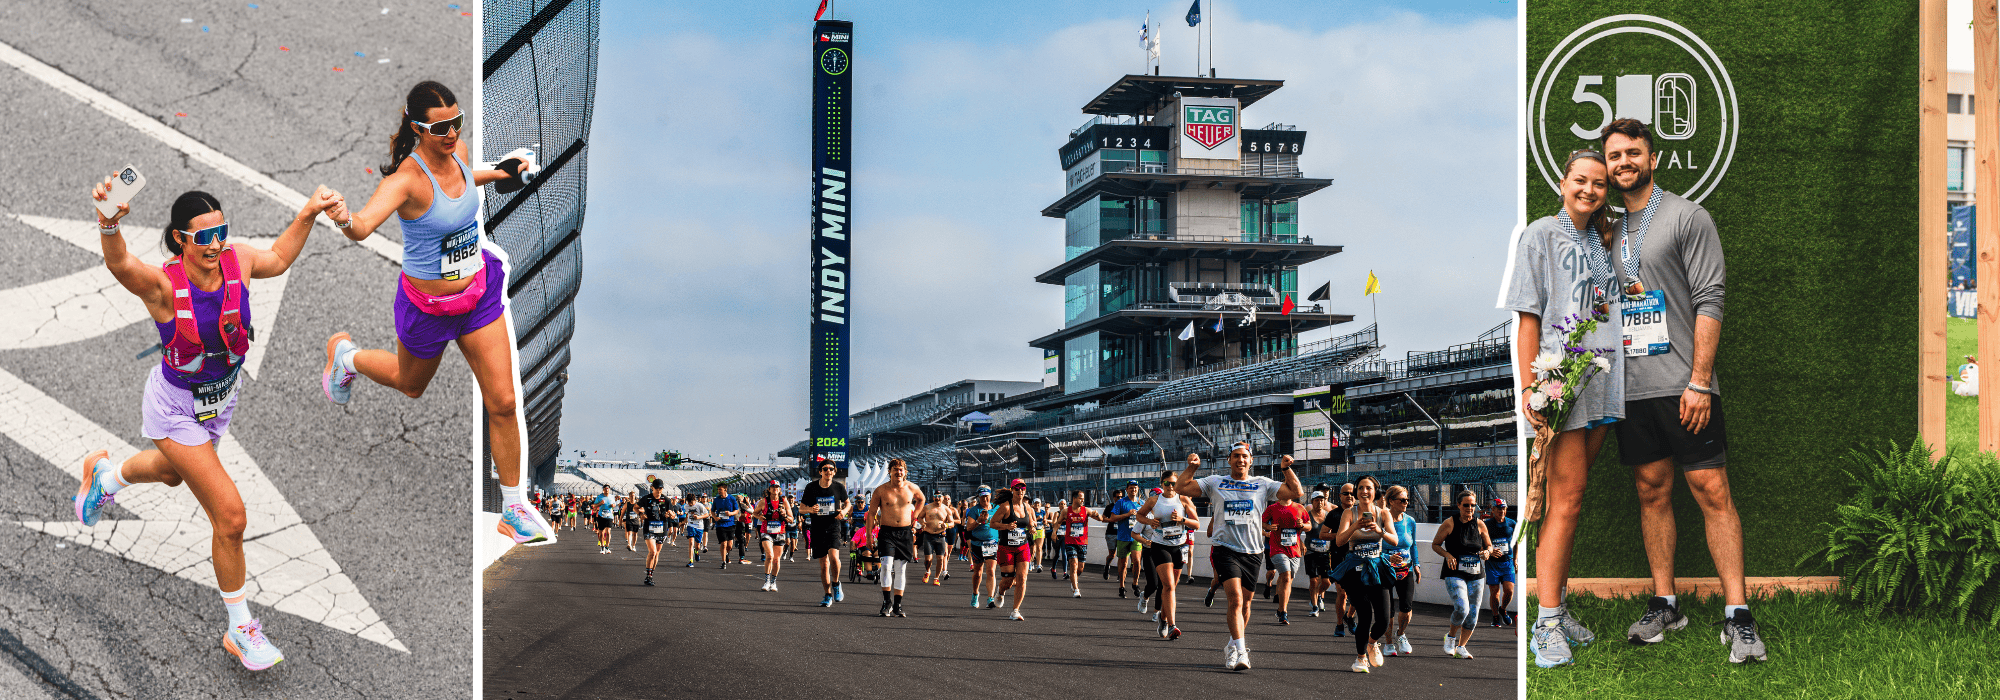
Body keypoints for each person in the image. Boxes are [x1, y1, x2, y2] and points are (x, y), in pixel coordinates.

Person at [75, 180, 341, 671]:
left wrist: (307, 213)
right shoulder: (163, 287)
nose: (216, 243)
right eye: (204, 236)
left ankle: (105, 476)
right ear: (181, 239)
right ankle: (240, 629)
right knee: (231, 516)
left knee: (175, 473)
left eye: (221, 230)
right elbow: (120, 264)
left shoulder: (236, 261)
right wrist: (109, 220)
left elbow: (278, 258)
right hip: (175, 407)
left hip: (218, 404)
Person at [314, 81, 552, 548]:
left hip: (477, 296)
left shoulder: (458, 150)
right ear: (418, 127)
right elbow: (362, 227)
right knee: (410, 385)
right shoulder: (406, 180)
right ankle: (346, 359)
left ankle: (514, 508)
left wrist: (503, 172)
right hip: (428, 308)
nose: (451, 132)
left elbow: (465, 177)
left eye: (456, 121)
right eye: (440, 126)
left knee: (503, 401)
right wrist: (342, 215)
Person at [1601, 118, 1764, 664]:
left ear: (1653, 158)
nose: (1623, 162)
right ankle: (1664, 602)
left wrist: (1699, 381)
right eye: (1614, 155)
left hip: (1684, 383)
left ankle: (1738, 615)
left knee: (1711, 490)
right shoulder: (1607, 229)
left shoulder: (1686, 216)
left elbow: (1710, 299)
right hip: (1632, 388)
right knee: (1651, 490)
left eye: (1633, 153)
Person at [1501, 145, 1625, 669]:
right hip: (1560, 381)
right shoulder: (1539, 234)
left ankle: (1557, 605)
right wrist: (1532, 387)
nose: (1589, 190)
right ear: (1562, 181)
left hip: (1601, 379)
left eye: (1599, 184)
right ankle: (1545, 624)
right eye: (1581, 180)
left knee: (1568, 501)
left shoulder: (1604, 239)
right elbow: (1528, 319)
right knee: (1565, 502)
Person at [1176, 442, 1302, 671]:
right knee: (1235, 598)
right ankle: (1242, 651)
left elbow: (1296, 492)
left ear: (1251, 460)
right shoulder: (1215, 481)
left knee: (1246, 604)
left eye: (1244, 456)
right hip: (1225, 548)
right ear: (1229, 459)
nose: (1240, 460)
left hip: (1253, 551)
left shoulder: (1262, 484)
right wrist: (1192, 467)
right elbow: (1181, 487)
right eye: (1236, 456)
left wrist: (1286, 469)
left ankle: (1233, 645)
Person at [1330, 476, 1397, 672]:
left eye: (1368, 488)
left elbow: (1394, 539)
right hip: (1356, 569)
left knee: (1383, 619)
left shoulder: (1383, 513)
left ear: (1375, 491)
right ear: (1356, 492)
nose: (1364, 492)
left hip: (1377, 568)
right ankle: (1360, 658)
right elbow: (1340, 541)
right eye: (1360, 488)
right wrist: (1355, 526)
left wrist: (1380, 531)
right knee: (1365, 615)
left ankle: (1372, 642)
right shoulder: (1349, 513)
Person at [1431, 490, 1493, 660]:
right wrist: (1448, 555)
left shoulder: (1480, 524)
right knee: (1462, 608)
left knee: (1473, 614)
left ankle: (1462, 647)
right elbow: (1435, 545)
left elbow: (1489, 546)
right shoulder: (1449, 523)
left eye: (1473, 505)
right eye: (1466, 505)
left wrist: (1487, 552)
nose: (1470, 508)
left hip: (1476, 574)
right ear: (1458, 505)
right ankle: (1450, 637)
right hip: (1454, 572)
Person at [1136, 475, 1199, 640]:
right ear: (1162, 483)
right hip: (1160, 546)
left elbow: (1197, 524)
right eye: (1167, 483)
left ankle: (1163, 620)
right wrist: (1150, 523)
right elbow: (1139, 516)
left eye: (1174, 483)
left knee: (1170, 588)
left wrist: (1182, 519)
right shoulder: (1153, 501)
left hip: (1178, 547)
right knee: (1169, 586)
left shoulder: (1183, 499)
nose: (1171, 486)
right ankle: (1172, 626)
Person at [866, 459, 925, 617]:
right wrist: (868, 537)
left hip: (905, 533)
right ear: (889, 472)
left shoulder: (912, 488)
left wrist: (915, 517)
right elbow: (871, 514)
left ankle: (898, 605)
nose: (898, 472)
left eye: (901, 470)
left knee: (901, 569)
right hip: (887, 532)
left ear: (905, 472)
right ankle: (887, 603)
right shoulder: (880, 490)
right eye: (895, 470)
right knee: (886, 566)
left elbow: (922, 499)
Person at [989, 479, 1041, 621]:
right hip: (1006, 547)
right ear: (1012, 490)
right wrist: (1006, 527)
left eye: (1023, 488)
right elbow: (992, 523)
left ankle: (1015, 611)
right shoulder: (1006, 507)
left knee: (1022, 578)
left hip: (1022, 547)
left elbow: (1033, 523)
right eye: (1017, 488)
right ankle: (1000, 592)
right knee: (1009, 580)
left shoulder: (1028, 508)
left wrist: (1032, 528)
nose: (1020, 491)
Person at [801, 457, 850, 606]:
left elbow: (848, 503)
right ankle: (827, 595)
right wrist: (810, 509)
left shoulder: (839, 487)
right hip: (817, 528)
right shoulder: (811, 487)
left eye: (831, 469)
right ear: (820, 472)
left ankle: (836, 583)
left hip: (833, 525)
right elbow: (801, 508)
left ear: (834, 472)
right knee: (824, 565)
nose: (828, 471)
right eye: (825, 469)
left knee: (834, 557)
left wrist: (844, 512)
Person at [1382, 485, 1421, 657]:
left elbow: (1413, 545)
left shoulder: (1410, 521)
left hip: (1406, 569)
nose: (1406, 503)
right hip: (1384, 569)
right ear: (1391, 501)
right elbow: (1373, 545)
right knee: (1388, 609)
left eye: (1407, 500)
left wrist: (1417, 565)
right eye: (1402, 500)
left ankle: (1401, 634)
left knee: (1406, 607)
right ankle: (1388, 643)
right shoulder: (1380, 520)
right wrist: (1386, 557)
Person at [1263, 486, 1311, 626]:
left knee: (1288, 579)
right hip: (1277, 547)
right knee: (1285, 575)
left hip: (1294, 550)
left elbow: (1309, 526)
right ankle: (1284, 612)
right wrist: (1268, 527)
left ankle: (1279, 609)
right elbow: (1261, 523)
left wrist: (1302, 525)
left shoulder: (1299, 507)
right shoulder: (1272, 508)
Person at [1056, 490, 1105, 597]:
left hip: (1082, 542)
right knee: (1073, 564)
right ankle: (1076, 589)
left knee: (1080, 568)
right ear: (1074, 498)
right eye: (1080, 498)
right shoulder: (1066, 511)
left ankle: (1074, 581)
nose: (1083, 500)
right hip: (1070, 542)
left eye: (1083, 498)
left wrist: (1098, 515)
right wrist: (1054, 533)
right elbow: (1058, 522)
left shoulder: (1086, 510)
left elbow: (1101, 519)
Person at [1104, 481, 1146, 598]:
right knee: (1123, 563)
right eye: (1131, 488)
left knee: (1137, 561)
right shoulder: (1121, 502)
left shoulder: (1141, 503)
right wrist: (1127, 514)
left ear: (1138, 489)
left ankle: (1135, 583)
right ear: (1127, 490)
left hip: (1136, 537)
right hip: (1123, 537)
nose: (1133, 490)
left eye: (1135, 488)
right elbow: (1112, 518)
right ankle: (1122, 586)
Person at [963, 487, 1002, 608]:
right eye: (982, 496)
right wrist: (979, 521)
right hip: (977, 544)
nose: (985, 498)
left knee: (991, 570)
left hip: (991, 543)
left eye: (987, 496)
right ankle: (975, 594)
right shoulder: (974, 510)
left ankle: (990, 598)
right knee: (978, 572)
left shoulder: (996, 508)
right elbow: (969, 528)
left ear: (990, 495)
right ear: (978, 497)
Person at [1302, 491, 1337, 619]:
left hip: (1325, 552)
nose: (1320, 502)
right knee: (1313, 580)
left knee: (1326, 582)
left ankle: (1317, 595)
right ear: (1312, 502)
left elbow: (1333, 531)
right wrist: (1302, 544)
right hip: (1311, 551)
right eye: (1316, 500)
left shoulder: (1329, 516)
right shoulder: (1307, 515)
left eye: (1321, 500)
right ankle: (1315, 606)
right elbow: (1300, 529)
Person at [1485, 498, 1518, 627]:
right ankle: (1495, 617)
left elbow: (1517, 543)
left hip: (1507, 562)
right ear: (1493, 510)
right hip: (1492, 563)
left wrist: (1515, 559)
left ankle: (1503, 609)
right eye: (1498, 508)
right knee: (1495, 592)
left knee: (1509, 591)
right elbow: (1480, 544)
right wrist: (1490, 551)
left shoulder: (1512, 523)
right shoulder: (1486, 524)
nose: (1501, 511)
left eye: (1503, 508)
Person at [754, 480, 791, 591]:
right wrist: (759, 517)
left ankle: (773, 582)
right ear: (769, 489)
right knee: (769, 555)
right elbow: (755, 513)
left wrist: (785, 515)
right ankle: (766, 581)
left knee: (776, 559)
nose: (775, 489)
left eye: (777, 487)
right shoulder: (763, 501)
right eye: (773, 487)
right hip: (766, 531)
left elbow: (791, 518)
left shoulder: (784, 501)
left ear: (780, 489)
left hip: (780, 532)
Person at [637, 480, 673, 586]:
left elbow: (673, 514)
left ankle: (650, 575)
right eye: (657, 489)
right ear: (652, 488)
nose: (659, 491)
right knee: (652, 552)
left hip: (662, 529)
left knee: (656, 553)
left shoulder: (666, 500)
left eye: (661, 489)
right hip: (649, 528)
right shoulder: (646, 498)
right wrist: (640, 514)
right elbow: (636, 507)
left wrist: (671, 514)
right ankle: (648, 576)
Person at [918, 494, 952, 586]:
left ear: (942, 498)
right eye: (935, 497)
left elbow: (952, 522)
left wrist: (947, 525)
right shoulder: (927, 507)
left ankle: (936, 578)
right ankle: (927, 571)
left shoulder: (946, 509)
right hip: (928, 535)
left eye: (939, 496)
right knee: (928, 559)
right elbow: (919, 517)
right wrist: (922, 522)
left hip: (940, 536)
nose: (937, 498)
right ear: (933, 498)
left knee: (940, 559)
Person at [711, 486, 743, 569]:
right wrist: (715, 518)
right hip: (720, 525)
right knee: (723, 543)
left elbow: (737, 510)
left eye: (720, 490)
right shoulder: (716, 500)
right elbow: (712, 511)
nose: (719, 491)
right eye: (718, 490)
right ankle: (723, 561)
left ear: (725, 490)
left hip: (730, 524)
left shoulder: (731, 498)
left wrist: (731, 513)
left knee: (730, 545)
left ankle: (726, 553)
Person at [684, 493, 710, 567]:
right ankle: (691, 561)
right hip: (690, 525)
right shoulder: (686, 506)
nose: (690, 504)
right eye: (689, 502)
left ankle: (696, 551)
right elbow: (687, 515)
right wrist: (683, 522)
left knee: (697, 545)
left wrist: (698, 517)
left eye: (691, 502)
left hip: (699, 526)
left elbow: (707, 514)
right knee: (691, 543)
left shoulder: (699, 506)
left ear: (694, 500)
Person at [592, 486, 617, 554]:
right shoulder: (599, 497)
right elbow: (594, 505)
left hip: (609, 516)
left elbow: (614, 504)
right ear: (603, 490)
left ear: (609, 490)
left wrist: (613, 505)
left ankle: (607, 547)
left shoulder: (612, 496)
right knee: (601, 533)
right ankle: (602, 547)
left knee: (608, 532)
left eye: (608, 489)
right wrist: (600, 504)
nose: (607, 490)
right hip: (601, 516)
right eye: (605, 489)